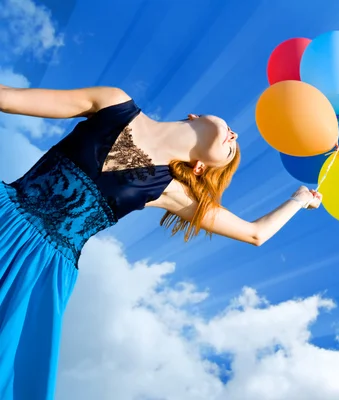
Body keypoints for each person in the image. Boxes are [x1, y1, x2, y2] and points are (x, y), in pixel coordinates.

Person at [0, 84, 322, 400]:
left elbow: (256, 234)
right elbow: (8, 99)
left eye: (231, 152)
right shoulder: (113, 102)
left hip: (39, 268)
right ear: (194, 116)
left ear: (200, 168)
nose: (234, 138)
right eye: (232, 133)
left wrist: (297, 200)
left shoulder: (168, 190)